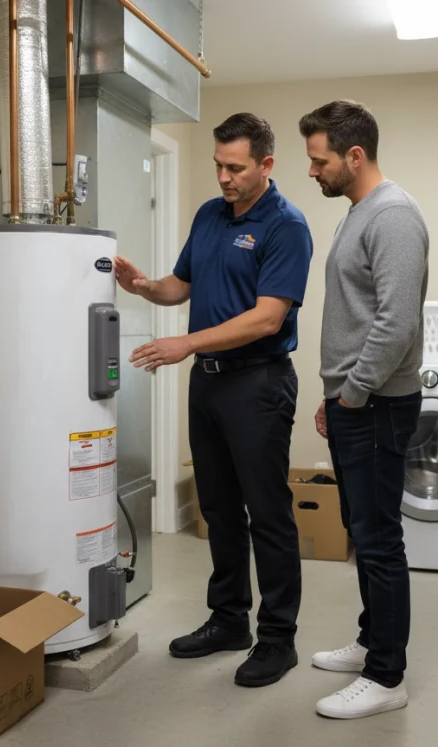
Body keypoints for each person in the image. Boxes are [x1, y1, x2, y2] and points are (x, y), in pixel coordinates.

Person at [113, 112, 314, 688]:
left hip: (258, 383)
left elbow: (266, 317)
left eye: (236, 167)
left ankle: (279, 639)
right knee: (220, 509)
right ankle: (229, 620)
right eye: (219, 166)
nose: (224, 177)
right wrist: (145, 286)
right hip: (208, 383)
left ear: (266, 165)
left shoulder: (286, 226)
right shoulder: (209, 215)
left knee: (268, 514)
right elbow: (184, 284)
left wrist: (185, 342)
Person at [298, 99, 428, 719]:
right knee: (363, 532)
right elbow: (359, 312)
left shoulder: (394, 215)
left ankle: (386, 676)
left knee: (379, 542)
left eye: (319, 160)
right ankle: (371, 641)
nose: (312, 171)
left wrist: (352, 393)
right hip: (353, 402)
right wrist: (335, 397)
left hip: (375, 404)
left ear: (355, 155)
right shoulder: (357, 212)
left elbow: (395, 323)